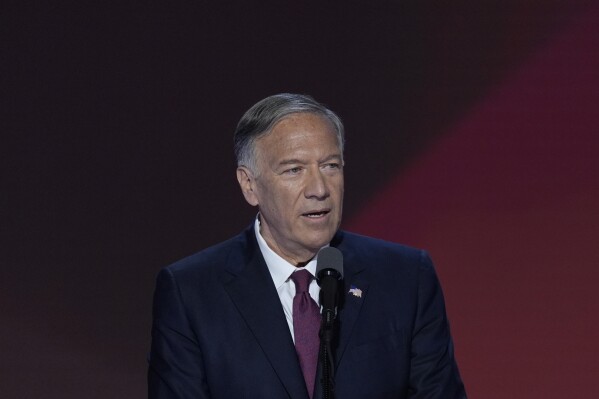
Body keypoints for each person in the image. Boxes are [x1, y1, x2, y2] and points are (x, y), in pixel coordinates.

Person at [148, 93, 466, 398]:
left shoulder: (406, 279)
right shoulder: (190, 294)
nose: (318, 189)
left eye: (330, 165)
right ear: (249, 185)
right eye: (294, 170)